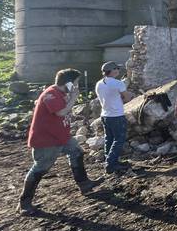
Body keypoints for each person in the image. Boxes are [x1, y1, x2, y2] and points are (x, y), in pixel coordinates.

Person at [17, 68, 100, 215]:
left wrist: (71, 98)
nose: (76, 86)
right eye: (75, 83)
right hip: (47, 139)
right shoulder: (51, 94)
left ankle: (84, 184)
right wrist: (74, 97)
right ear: (68, 83)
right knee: (40, 168)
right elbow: (60, 112)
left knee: (77, 152)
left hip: (62, 135)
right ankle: (25, 202)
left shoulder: (61, 93)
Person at [95, 61, 134, 174]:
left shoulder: (99, 83)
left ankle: (110, 160)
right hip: (116, 115)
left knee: (109, 138)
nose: (118, 70)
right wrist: (131, 95)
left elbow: (111, 97)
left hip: (105, 115)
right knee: (119, 139)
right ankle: (111, 163)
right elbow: (127, 98)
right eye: (116, 68)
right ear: (112, 71)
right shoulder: (118, 83)